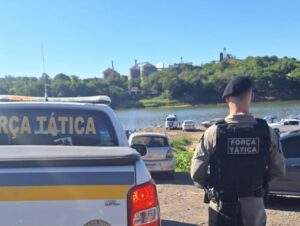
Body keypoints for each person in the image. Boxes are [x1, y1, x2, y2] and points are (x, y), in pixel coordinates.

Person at [191, 76, 286, 226]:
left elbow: (196, 173)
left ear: (227, 99)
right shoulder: (267, 132)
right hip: (254, 207)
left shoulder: (213, 132)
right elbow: (279, 169)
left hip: (222, 206)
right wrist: (260, 182)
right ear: (252, 97)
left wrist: (212, 186)